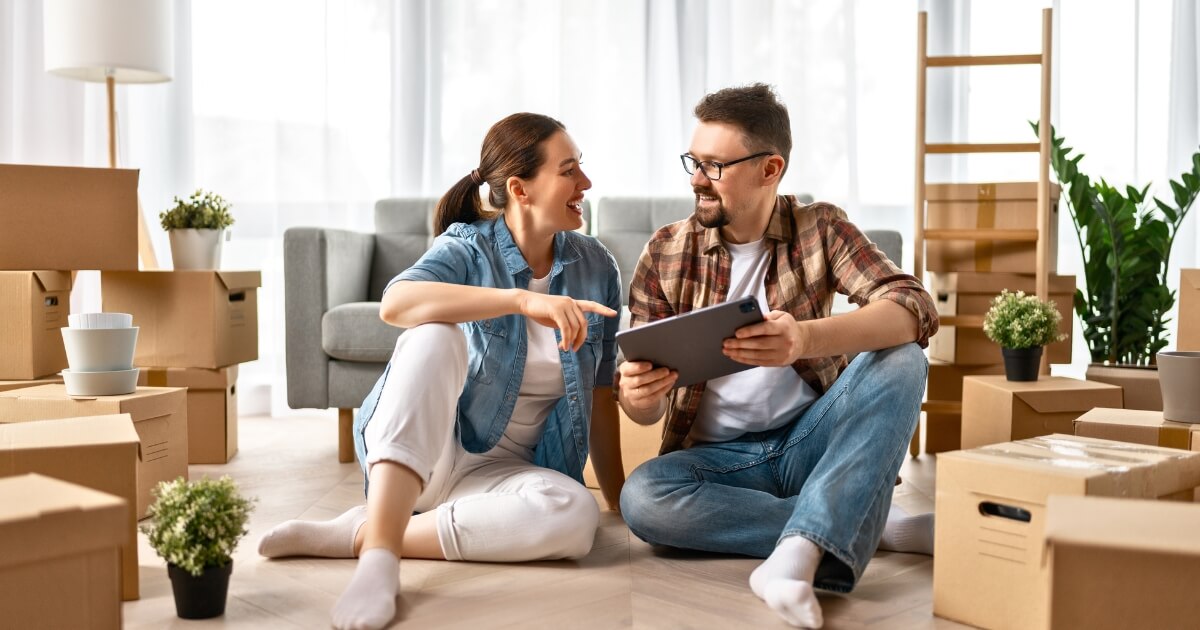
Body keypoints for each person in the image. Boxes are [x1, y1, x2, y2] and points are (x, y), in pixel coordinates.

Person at [258, 113, 625, 630]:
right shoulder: (468, 245)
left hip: (505, 477)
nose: (585, 182)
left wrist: (617, 501)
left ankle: (360, 533)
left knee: (576, 516)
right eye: (569, 170)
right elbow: (396, 303)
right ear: (520, 188)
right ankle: (379, 561)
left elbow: (601, 391)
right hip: (428, 456)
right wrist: (521, 301)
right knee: (434, 334)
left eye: (580, 166)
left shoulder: (596, 266)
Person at [616, 84, 939, 629]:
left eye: (715, 166)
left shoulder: (821, 228)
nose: (697, 179)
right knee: (644, 499)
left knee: (903, 359)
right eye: (694, 162)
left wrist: (804, 340)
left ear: (770, 169)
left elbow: (913, 307)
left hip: (812, 441)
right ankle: (858, 520)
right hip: (719, 465)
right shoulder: (666, 251)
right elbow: (644, 412)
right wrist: (639, 398)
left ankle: (797, 554)